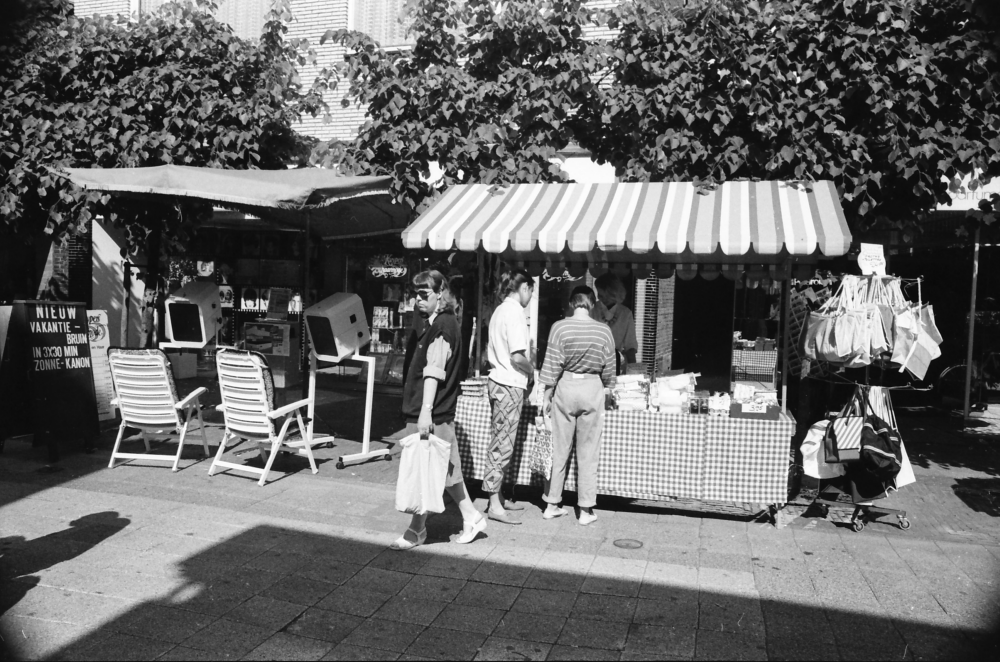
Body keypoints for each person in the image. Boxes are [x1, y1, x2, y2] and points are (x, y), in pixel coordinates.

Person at [391, 270, 487, 550]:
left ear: (440, 295)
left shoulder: (442, 327)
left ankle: (417, 530)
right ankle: (468, 517)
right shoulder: (441, 323)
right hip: (437, 411)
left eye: (424, 295)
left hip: (432, 411)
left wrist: (425, 411)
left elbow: (434, 372)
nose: (417, 300)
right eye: (415, 294)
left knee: (427, 470)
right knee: (441, 470)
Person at [539, 286, 615, 526]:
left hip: (565, 386)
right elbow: (610, 369)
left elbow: (551, 365)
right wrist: (608, 388)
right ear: (592, 304)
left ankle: (552, 503)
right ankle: (585, 510)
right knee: (588, 451)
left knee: (559, 448)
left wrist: (546, 396)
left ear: (572, 303)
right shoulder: (604, 331)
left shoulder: (559, 327)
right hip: (592, 388)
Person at [482, 269, 535, 525]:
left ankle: (498, 496)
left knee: (501, 440)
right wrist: (531, 370)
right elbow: (517, 356)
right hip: (508, 383)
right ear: (524, 287)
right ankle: (493, 503)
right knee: (502, 444)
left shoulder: (500, 310)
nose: (531, 297)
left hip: (498, 381)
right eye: (531, 291)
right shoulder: (514, 312)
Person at [592, 272, 638, 373]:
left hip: (615, 362)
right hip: (592, 360)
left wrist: (634, 372)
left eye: (603, 295)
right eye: (598, 294)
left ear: (613, 293)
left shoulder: (625, 313)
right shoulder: (592, 309)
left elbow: (630, 346)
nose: (599, 298)